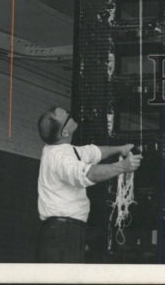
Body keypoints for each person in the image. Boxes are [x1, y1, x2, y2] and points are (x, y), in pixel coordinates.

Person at [36, 105, 141, 263]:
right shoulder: (60, 159)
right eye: (68, 116)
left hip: (65, 231)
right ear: (65, 132)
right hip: (62, 234)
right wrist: (123, 166)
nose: (72, 116)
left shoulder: (62, 150)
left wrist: (120, 149)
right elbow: (87, 174)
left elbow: (93, 152)